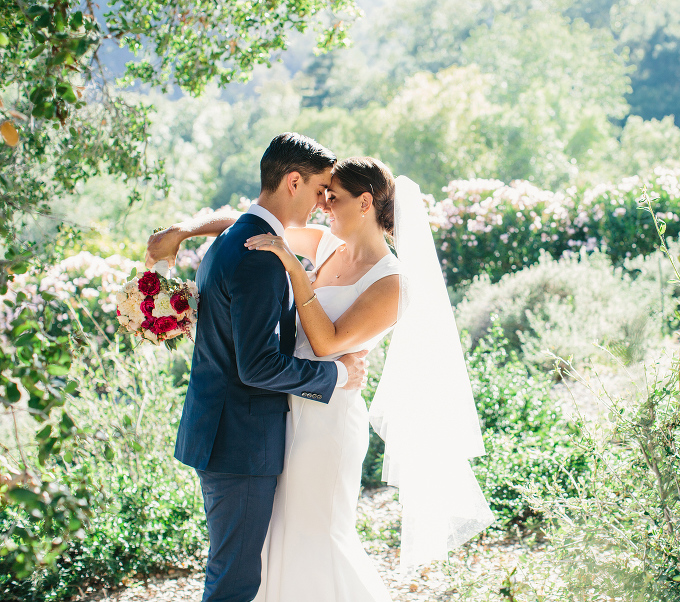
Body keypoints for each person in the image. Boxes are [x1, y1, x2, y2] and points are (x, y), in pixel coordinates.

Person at [148, 153, 494, 601]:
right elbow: (255, 224)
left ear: (365, 203)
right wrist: (184, 231)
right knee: (277, 542)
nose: (323, 207)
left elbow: (329, 344)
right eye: (323, 196)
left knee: (316, 538)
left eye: (334, 198)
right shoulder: (329, 247)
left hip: (328, 422)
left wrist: (294, 269)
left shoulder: (392, 282)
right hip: (285, 410)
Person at [149, 133, 369, 602]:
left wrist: (184, 229)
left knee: (235, 570)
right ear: (293, 181)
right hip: (240, 443)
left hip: (223, 431)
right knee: (235, 581)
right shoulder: (260, 259)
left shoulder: (236, 239)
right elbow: (258, 366)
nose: (321, 203)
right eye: (318, 191)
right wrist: (337, 375)